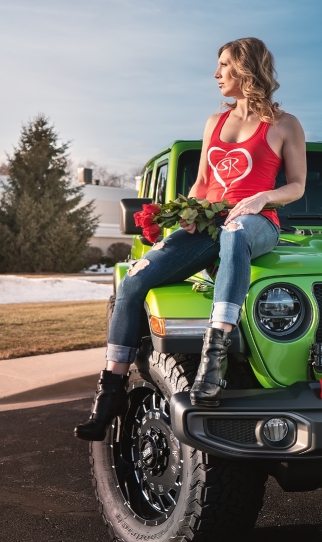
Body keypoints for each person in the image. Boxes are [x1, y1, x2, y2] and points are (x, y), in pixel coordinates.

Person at [74, 37, 306, 441]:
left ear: (246, 68)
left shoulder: (285, 124)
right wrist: (179, 221)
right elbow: (201, 182)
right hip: (208, 221)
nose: (216, 75)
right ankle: (110, 393)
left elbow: (298, 186)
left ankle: (213, 364)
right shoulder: (214, 122)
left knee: (235, 232)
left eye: (224, 66)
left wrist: (262, 197)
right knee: (133, 281)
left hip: (256, 221)